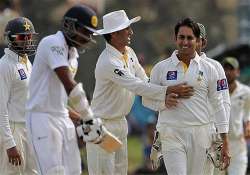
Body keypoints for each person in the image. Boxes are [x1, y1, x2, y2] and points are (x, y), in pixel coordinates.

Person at [86, 10, 195, 175]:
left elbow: (145, 82)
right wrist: (168, 90)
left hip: (120, 123)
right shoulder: (108, 62)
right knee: (104, 171)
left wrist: (162, 100)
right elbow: (135, 85)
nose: (131, 32)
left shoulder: (129, 53)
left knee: (119, 171)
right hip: (101, 125)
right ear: (114, 34)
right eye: (127, 29)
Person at [143, 17, 230, 175]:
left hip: (201, 133)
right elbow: (147, 99)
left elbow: (220, 104)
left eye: (190, 38)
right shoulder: (160, 68)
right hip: (171, 132)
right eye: (181, 37)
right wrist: (164, 101)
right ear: (175, 39)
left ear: (198, 41)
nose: (185, 42)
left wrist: (224, 138)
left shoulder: (211, 68)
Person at [25, 5, 106, 175]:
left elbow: (59, 99)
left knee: (74, 170)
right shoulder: (52, 43)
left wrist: (82, 120)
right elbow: (70, 85)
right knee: (54, 172)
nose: (88, 37)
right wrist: (89, 117)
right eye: (85, 32)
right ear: (71, 26)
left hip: (62, 117)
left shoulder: (73, 55)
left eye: (91, 33)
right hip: (42, 118)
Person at [0, 17, 38, 175]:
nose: (28, 40)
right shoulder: (4, 65)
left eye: (29, 36)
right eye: (23, 37)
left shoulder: (26, 61)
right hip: (14, 129)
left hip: (30, 128)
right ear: (11, 39)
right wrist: (10, 144)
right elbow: (0, 109)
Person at [196, 23, 231, 174]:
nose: (190, 43)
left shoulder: (215, 66)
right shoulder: (174, 65)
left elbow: (224, 101)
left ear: (203, 42)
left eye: (195, 39)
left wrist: (221, 134)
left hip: (209, 131)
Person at [222, 57, 250, 175]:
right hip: (217, 144)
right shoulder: (216, 91)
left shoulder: (246, 91)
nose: (228, 72)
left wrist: (248, 125)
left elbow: (248, 114)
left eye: (231, 69)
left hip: (237, 144)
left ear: (237, 72)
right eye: (225, 69)